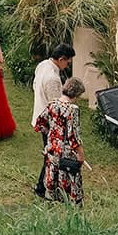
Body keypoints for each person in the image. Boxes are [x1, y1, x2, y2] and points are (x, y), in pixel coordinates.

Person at [31, 43, 73, 195]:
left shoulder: (43, 65)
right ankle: (42, 187)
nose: (67, 65)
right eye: (67, 62)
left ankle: (46, 186)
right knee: (51, 156)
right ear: (61, 59)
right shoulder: (53, 79)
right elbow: (56, 108)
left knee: (50, 155)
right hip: (48, 122)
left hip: (40, 114)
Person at [41, 76, 87, 205]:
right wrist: (81, 154)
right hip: (66, 153)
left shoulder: (52, 104)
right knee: (71, 181)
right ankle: (72, 206)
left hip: (52, 150)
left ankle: (53, 202)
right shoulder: (72, 110)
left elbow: (41, 123)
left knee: (52, 179)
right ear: (76, 94)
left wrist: (53, 136)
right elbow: (74, 135)